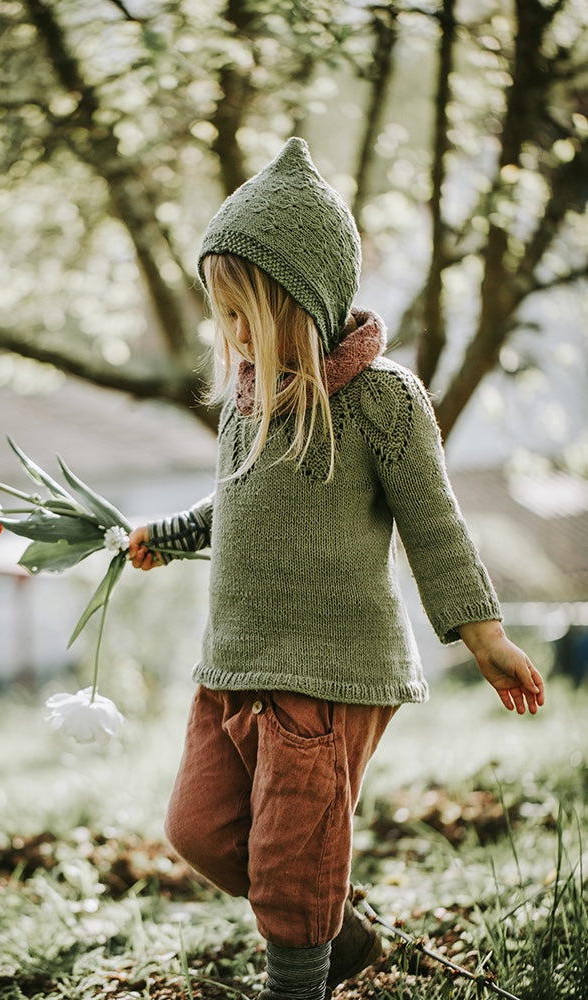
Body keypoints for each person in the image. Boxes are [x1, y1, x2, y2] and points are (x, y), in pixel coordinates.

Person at [129, 137, 545, 1000]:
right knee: (200, 831)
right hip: (235, 665)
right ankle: (337, 931)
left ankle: (300, 978)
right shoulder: (245, 407)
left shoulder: (380, 400)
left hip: (325, 673)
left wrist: (484, 633)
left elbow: (433, 525)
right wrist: (167, 534)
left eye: (246, 313)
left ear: (303, 302)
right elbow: (235, 513)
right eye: (223, 317)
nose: (232, 336)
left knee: (287, 861)